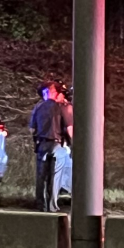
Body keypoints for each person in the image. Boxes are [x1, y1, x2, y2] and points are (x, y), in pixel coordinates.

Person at [29, 81, 72, 212]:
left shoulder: (38, 107)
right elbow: (70, 128)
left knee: (41, 176)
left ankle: (41, 205)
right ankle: (52, 206)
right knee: (55, 175)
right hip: (57, 144)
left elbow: (31, 129)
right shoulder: (62, 107)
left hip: (42, 144)